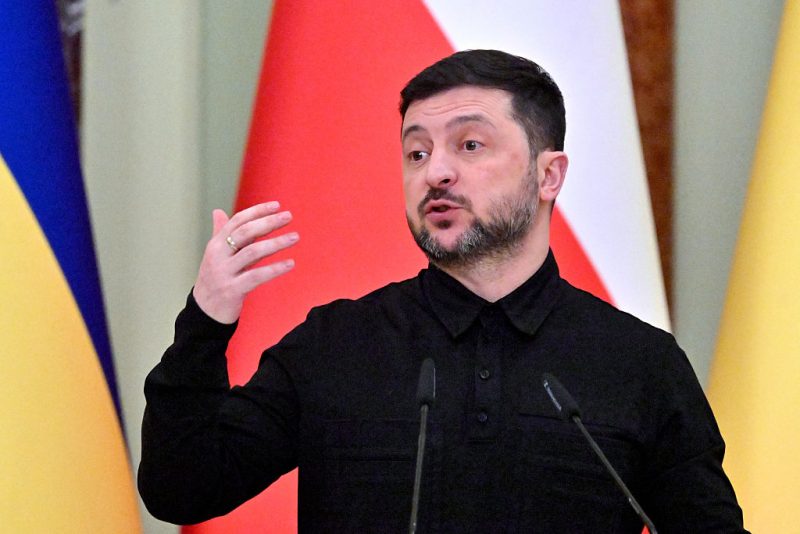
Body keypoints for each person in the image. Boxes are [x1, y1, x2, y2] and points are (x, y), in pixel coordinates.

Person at [139, 49, 747, 532]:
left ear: (549, 174)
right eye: (416, 152)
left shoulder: (639, 363)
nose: (435, 172)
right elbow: (181, 489)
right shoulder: (335, 346)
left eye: (470, 145)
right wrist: (206, 321)